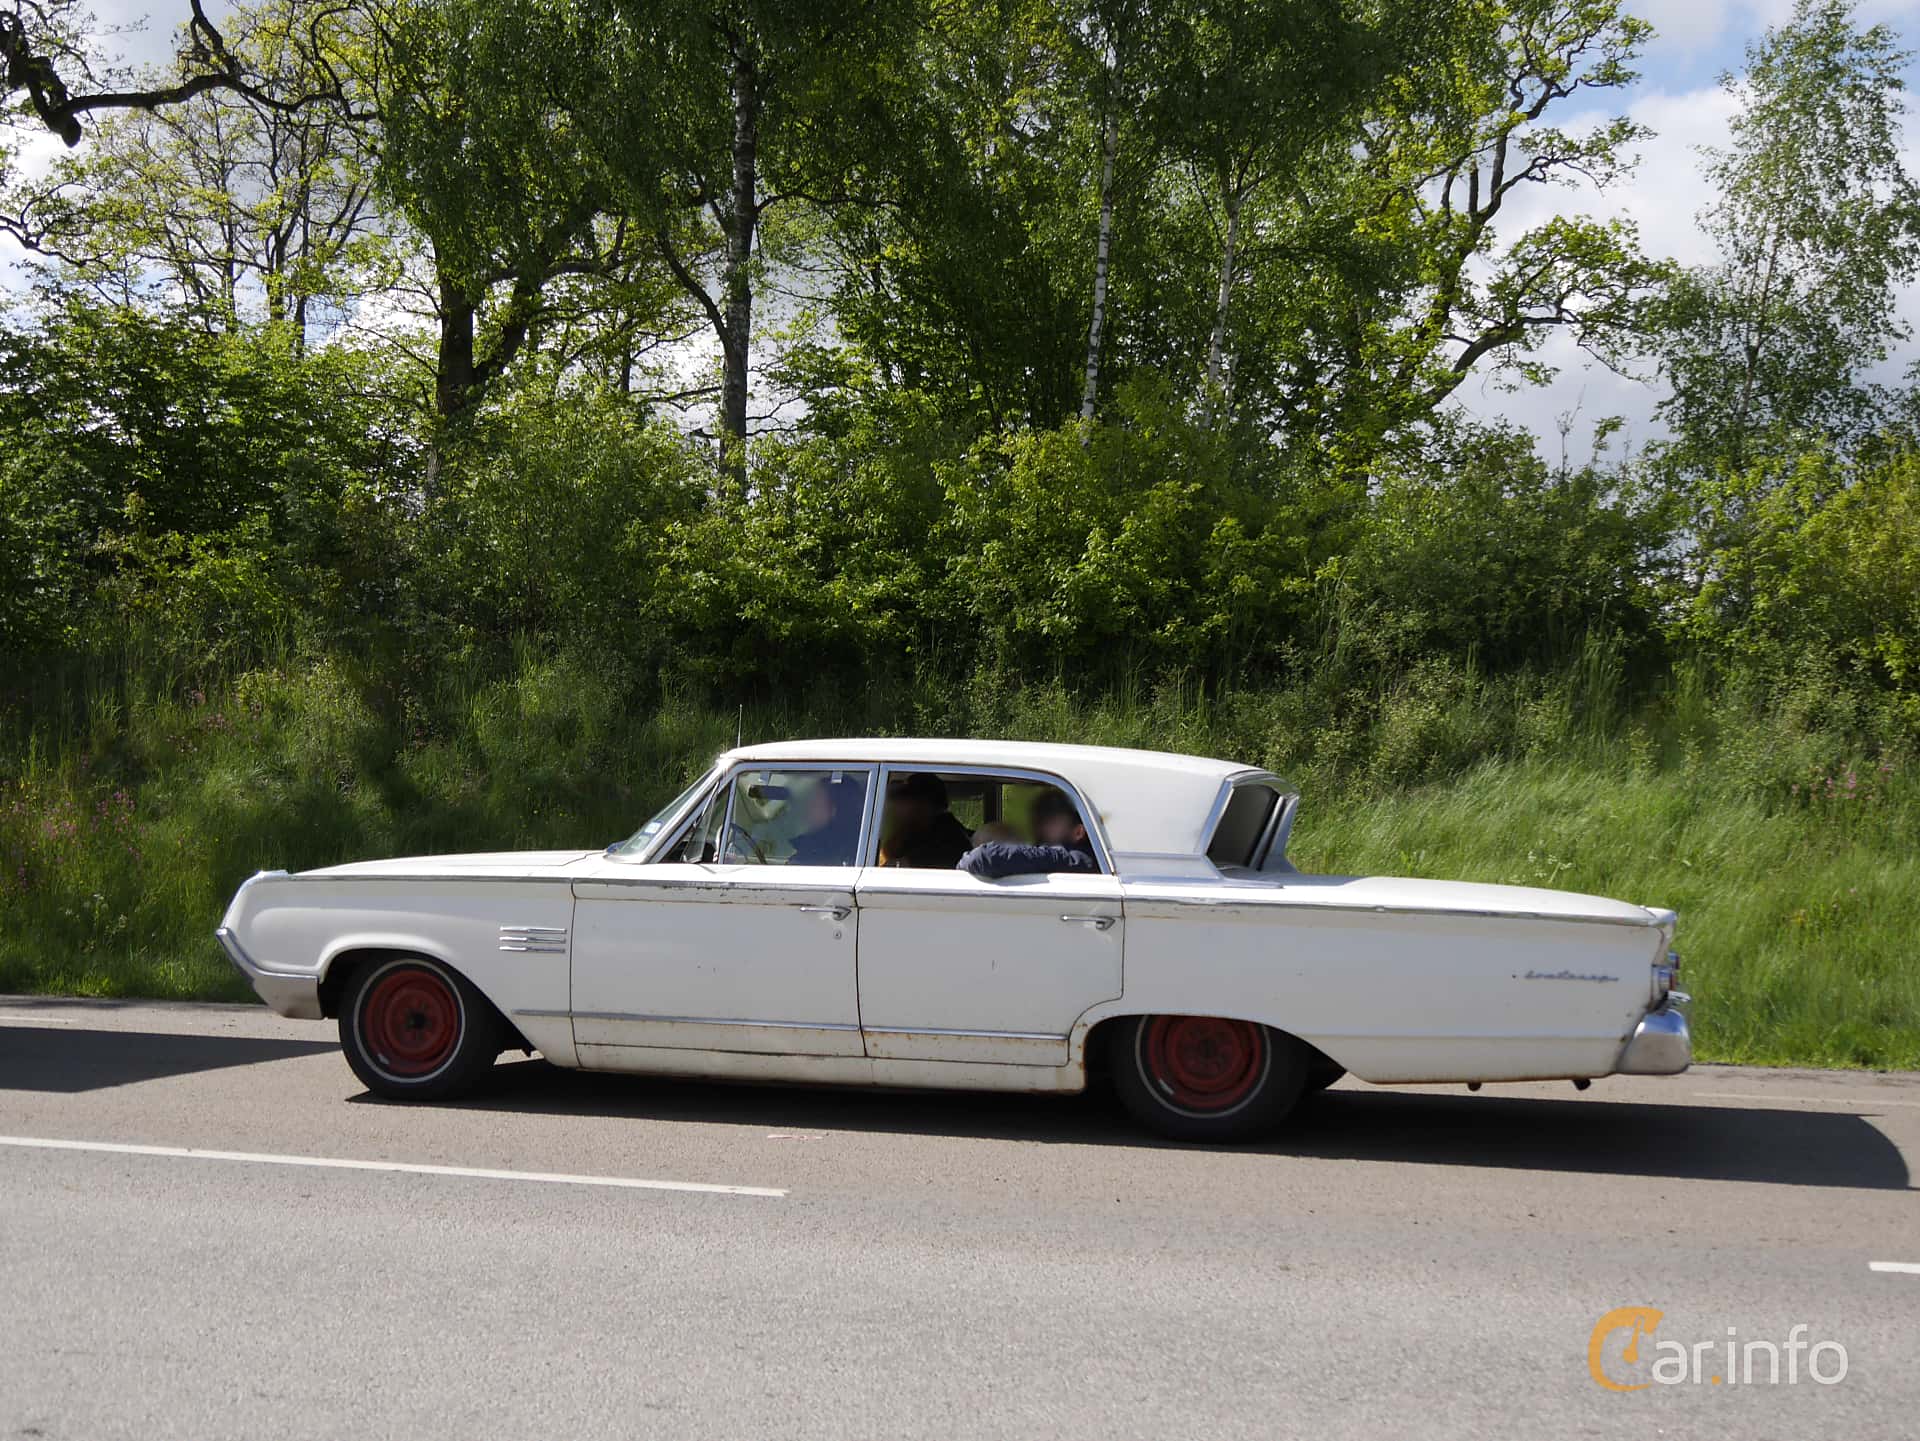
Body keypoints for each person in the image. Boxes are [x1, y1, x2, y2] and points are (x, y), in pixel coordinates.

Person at [959, 789, 1099, 878]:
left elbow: (983, 858)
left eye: (1051, 820)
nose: (1040, 826)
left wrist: (959, 866)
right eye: (1039, 818)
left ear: (1078, 832)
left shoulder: (1072, 859)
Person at [879, 772, 973, 869]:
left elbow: (895, 867)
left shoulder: (945, 838)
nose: (896, 807)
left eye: (904, 798)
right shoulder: (924, 830)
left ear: (922, 803)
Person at [786, 775, 865, 866]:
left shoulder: (814, 859)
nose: (808, 808)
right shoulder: (859, 850)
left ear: (834, 811)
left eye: (815, 803)